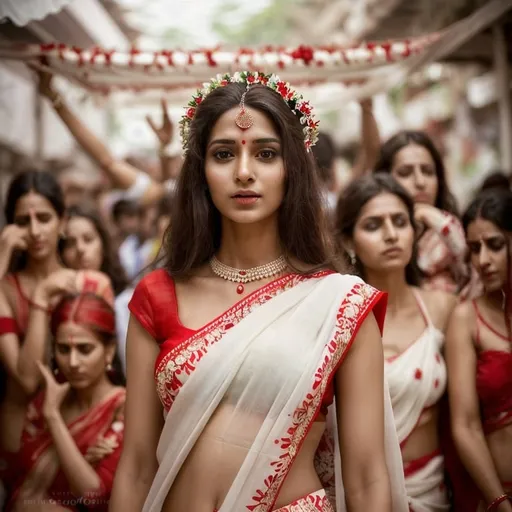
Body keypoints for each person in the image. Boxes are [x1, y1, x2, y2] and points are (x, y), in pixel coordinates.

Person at [110, 71, 408, 512]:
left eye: (266, 154)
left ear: (292, 169)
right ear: (201, 171)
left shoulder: (339, 304)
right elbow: (136, 466)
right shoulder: (157, 296)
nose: (244, 172)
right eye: (224, 153)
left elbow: (367, 478)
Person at [335, 173, 456, 511]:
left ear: (414, 233)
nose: (391, 235)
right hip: (359, 494)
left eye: (400, 222)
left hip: (433, 492)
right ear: (348, 240)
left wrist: (437, 220)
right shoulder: (338, 317)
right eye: (373, 225)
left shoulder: (442, 308)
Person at [0, 270, 126, 511]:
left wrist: (54, 418)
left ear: (109, 351)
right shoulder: (41, 402)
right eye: (63, 350)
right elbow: (15, 477)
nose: (73, 362)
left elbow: (94, 496)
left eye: (85, 349)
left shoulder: (122, 408)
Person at [445, 189, 512, 512]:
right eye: (474, 249)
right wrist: (500, 503)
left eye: (495, 245)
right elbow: (465, 425)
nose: (482, 260)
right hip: (497, 496)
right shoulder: (465, 318)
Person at [0, 171, 77, 444]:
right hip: (19, 435)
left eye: (43, 218)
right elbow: (27, 380)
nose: (34, 231)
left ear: (62, 220)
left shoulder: (84, 281)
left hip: (75, 432)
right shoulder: (6, 288)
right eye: (23, 221)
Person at [375, 130, 467, 293]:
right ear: (384, 180)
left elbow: (469, 268)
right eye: (405, 173)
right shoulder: (374, 236)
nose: (420, 182)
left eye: (428, 171)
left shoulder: (450, 230)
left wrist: (436, 220)